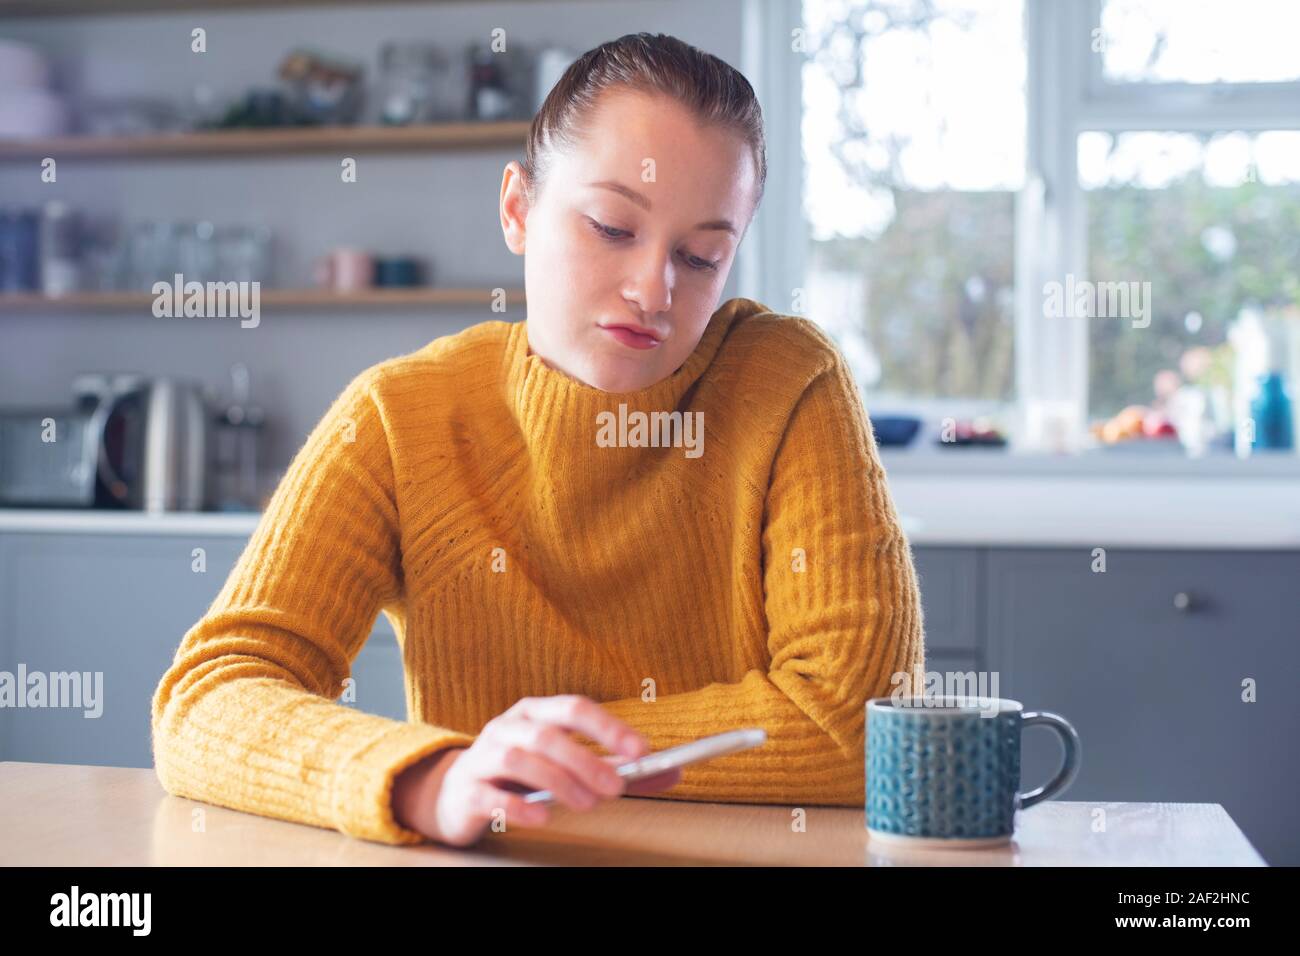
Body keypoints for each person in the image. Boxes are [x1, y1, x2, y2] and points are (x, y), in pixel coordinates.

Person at [151, 32, 926, 850]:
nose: (652, 291)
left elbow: (862, 722)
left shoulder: (788, 382)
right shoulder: (398, 416)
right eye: (613, 227)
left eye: (700, 257)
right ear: (518, 209)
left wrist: (552, 755)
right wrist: (431, 775)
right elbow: (210, 697)